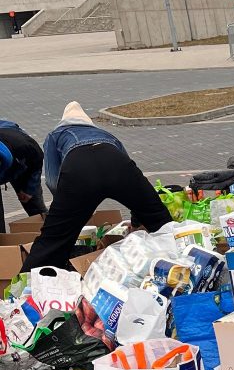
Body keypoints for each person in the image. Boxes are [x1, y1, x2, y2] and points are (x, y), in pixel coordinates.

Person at [20, 102, 172, 272]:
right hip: (116, 164)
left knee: (54, 240)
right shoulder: (106, 134)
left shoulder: (55, 135)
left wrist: (67, 208)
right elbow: (135, 186)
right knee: (159, 218)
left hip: (80, 171)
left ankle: (27, 284)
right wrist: (137, 222)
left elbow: (52, 180)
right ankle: (185, 260)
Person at [0, 121, 46, 228]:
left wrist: (29, 190)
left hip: (20, 160)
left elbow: (37, 162)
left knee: (34, 205)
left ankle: (52, 234)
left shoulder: (25, 147)